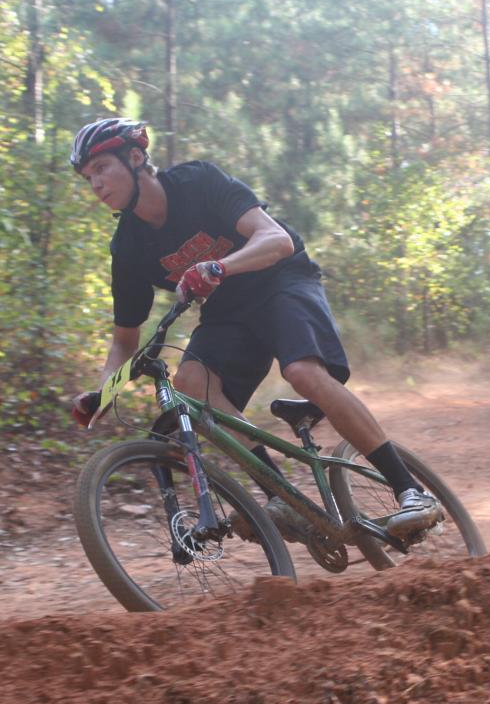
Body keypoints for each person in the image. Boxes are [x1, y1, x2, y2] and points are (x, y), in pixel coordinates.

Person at [67, 117, 440, 540]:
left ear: (135, 158)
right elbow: (124, 340)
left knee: (301, 371)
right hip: (227, 311)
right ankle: (280, 496)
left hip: (282, 279)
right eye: (87, 177)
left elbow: (275, 239)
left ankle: (410, 490)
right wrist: (103, 393)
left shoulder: (197, 182)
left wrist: (219, 266)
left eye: (101, 169)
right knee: (191, 382)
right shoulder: (128, 246)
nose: (95, 184)